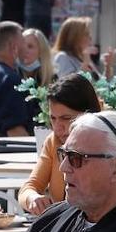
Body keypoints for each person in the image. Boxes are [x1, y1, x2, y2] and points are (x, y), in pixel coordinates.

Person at [17, 73, 101, 215]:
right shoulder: (53, 141)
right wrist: (34, 198)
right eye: (53, 119)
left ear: (88, 114)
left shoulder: (106, 144)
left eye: (66, 118)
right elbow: (29, 187)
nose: (57, 127)